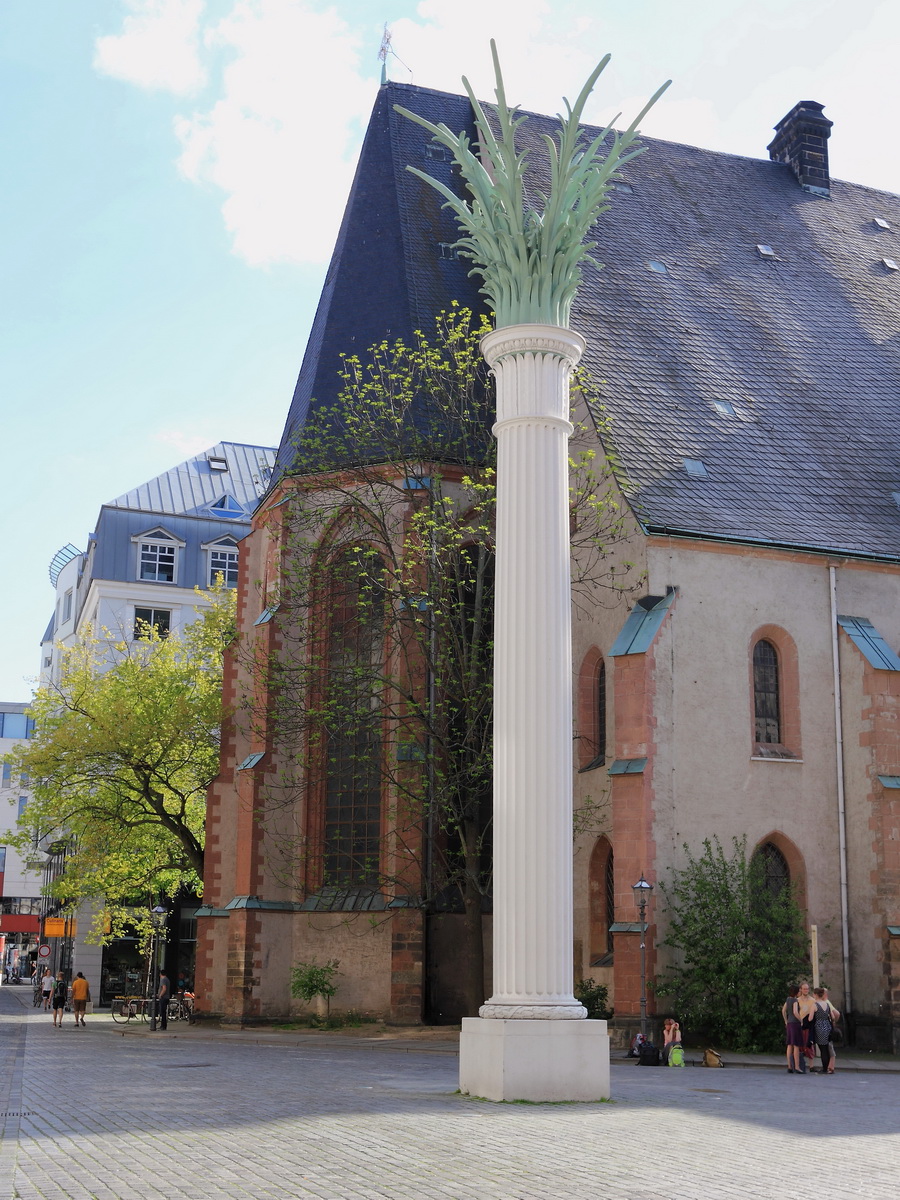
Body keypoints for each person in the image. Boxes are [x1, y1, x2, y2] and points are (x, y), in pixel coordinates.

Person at [781, 984, 803, 1073]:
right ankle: (797, 1066)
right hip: (795, 1023)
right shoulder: (794, 1000)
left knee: (789, 1044)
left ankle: (790, 1066)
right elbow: (795, 1012)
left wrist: (786, 1021)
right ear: (797, 992)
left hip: (789, 1023)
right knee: (796, 1045)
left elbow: (783, 1010)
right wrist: (801, 1020)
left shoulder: (788, 999)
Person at [796, 980, 816, 1073]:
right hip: (799, 1025)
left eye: (807, 989)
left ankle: (811, 1066)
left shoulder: (812, 1000)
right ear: (801, 989)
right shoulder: (797, 1000)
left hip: (808, 1025)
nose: (806, 990)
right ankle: (799, 1064)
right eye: (804, 989)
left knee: (809, 1045)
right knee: (799, 1045)